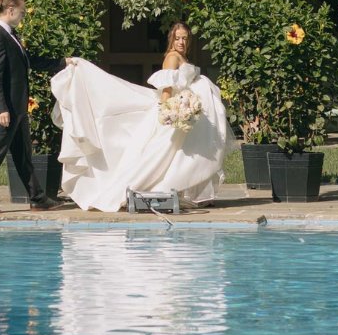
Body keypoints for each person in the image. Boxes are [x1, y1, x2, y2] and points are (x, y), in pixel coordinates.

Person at [50, 20, 235, 212]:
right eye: (177, 38)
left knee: (177, 156)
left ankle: (188, 192)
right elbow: (167, 87)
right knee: (159, 157)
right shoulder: (172, 57)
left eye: (184, 38)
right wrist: (170, 109)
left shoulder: (182, 57)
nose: (181, 42)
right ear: (172, 39)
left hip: (184, 110)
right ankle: (138, 189)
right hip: (174, 109)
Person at [0, 0, 73, 214]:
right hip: (8, 110)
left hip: (18, 107)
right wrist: (0, 108)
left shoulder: (11, 35)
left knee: (23, 155)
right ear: (10, 10)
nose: (23, 16)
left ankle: (38, 198)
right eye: (21, 12)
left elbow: (28, 61)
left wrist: (62, 62)